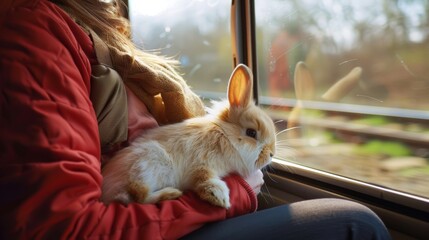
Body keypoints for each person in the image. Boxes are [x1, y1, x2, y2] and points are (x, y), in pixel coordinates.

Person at [0, 0, 391, 239]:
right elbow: (62, 227)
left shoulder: (90, 27)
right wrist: (235, 194)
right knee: (355, 224)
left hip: (166, 207)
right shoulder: (35, 31)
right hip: (145, 215)